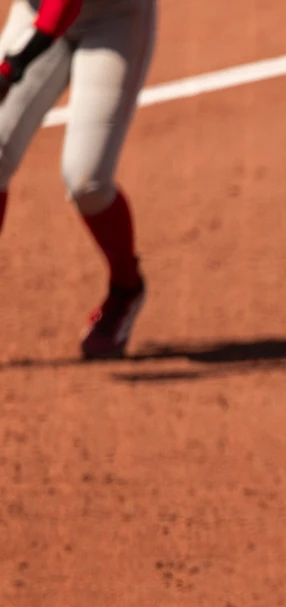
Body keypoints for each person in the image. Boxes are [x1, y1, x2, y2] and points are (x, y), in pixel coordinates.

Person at [0, 0, 155, 359]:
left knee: (87, 180)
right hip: (35, 10)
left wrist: (10, 68)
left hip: (114, 21)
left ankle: (126, 287)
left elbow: (62, 8)